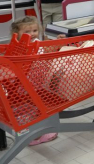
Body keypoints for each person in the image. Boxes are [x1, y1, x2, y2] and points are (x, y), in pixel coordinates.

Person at [9, 17, 60, 145]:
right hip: (30, 84)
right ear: (17, 33)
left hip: (28, 82)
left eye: (35, 30)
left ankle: (29, 133)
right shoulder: (25, 46)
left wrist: (56, 41)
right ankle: (34, 136)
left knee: (29, 107)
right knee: (33, 108)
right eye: (27, 32)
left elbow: (46, 49)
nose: (32, 34)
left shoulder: (18, 45)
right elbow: (46, 52)